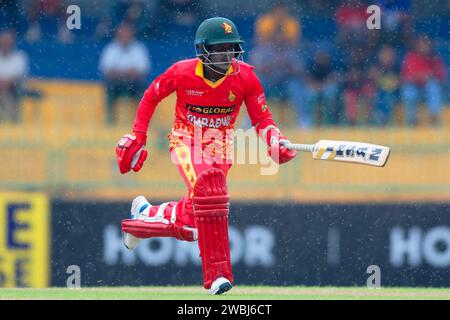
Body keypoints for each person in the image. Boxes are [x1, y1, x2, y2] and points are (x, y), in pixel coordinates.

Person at [115, 17, 297, 295]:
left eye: (231, 48)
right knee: (209, 195)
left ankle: (143, 218)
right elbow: (151, 96)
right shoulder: (182, 72)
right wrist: (139, 135)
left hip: (220, 148)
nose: (227, 55)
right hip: (186, 140)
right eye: (219, 48)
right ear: (203, 51)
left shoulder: (246, 76)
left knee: (194, 226)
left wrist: (275, 141)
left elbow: (262, 119)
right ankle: (217, 277)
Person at [99, 23, 151, 125]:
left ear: (132, 34)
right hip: (116, 84)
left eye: (127, 33)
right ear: (117, 34)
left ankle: (142, 122)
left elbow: (143, 71)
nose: (125, 36)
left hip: (134, 84)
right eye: (122, 33)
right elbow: (107, 71)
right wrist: (127, 73)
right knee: (109, 88)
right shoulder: (111, 48)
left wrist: (120, 73)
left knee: (143, 91)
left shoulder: (139, 48)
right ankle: (110, 121)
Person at [400, 35, 447, 126]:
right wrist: (420, 77)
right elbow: (405, 78)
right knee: (408, 91)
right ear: (417, 45)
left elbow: (442, 78)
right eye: (421, 44)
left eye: (426, 44)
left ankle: (434, 118)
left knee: (434, 88)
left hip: (428, 89)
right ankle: (412, 120)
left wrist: (430, 77)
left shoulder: (435, 59)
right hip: (414, 88)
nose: (424, 47)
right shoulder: (411, 57)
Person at [0, 30, 28, 123]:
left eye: (8, 42)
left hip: (13, 87)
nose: (5, 44)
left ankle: (11, 117)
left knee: (7, 90)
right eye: (3, 41)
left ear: (13, 43)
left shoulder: (19, 57)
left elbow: (19, 76)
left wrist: (6, 83)